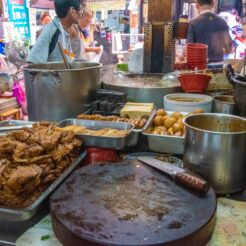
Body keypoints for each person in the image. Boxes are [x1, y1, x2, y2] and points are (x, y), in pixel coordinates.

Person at [187, 0, 232, 68]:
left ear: (196, 5)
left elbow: (188, 50)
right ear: (213, 4)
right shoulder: (223, 22)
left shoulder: (193, 23)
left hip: (200, 67)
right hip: (218, 66)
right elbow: (228, 49)